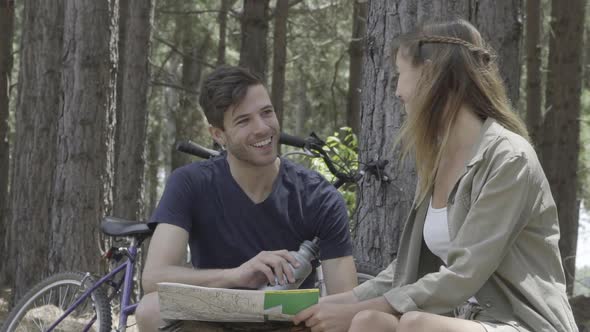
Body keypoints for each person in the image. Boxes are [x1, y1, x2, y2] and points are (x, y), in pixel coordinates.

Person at [293, 18, 578, 332]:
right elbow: (404, 271)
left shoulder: (509, 158)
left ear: (430, 75)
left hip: (525, 323)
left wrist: (364, 307)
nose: (398, 91)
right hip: (468, 323)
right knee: (368, 321)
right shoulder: (438, 160)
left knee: (415, 324)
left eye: (399, 75)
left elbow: (463, 273)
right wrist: (341, 303)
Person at [135, 66, 358, 331]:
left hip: (291, 325)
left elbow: (344, 300)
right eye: (243, 121)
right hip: (214, 322)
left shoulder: (318, 196)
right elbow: (154, 278)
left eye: (267, 112)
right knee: (151, 308)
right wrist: (237, 275)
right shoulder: (190, 183)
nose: (262, 128)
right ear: (218, 135)